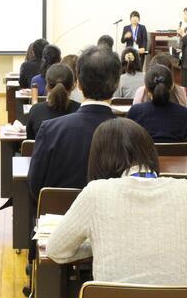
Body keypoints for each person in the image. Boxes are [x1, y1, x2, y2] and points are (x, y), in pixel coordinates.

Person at [47, 118, 187, 285]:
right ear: (150, 151)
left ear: (99, 159)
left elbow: (56, 250)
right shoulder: (183, 189)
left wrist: (100, 243)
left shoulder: (96, 193)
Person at [28, 46, 120, 201]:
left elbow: (35, 186)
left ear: (79, 84)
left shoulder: (50, 129)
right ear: (117, 84)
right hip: (109, 219)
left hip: (57, 218)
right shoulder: (131, 133)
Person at [128, 65, 187, 142]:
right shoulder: (184, 114)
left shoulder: (135, 112)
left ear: (146, 88)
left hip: (145, 154)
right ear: (172, 86)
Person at [26, 64, 80, 140]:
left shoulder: (36, 111)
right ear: (73, 86)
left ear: (47, 86)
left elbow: (30, 142)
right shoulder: (80, 110)